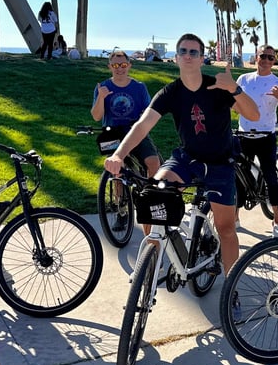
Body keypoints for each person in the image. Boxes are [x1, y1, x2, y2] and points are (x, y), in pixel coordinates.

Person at [104, 33, 260, 286]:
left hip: (220, 164)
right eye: (183, 52)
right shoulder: (170, 93)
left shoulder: (218, 87)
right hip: (187, 160)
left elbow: (253, 114)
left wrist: (234, 88)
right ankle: (151, 264)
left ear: (201, 58)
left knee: (227, 230)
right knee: (153, 197)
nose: (188, 56)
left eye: (194, 52)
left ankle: (232, 291)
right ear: (176, 58)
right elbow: (143, 126)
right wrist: (119, 154)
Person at [91, 50, 162, 232]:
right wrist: (101, 97)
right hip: (112, 133)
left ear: (129, 65)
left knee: (153, 162)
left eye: (123, 65)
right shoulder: (103, 87)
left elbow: (148, 113)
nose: (119, 69)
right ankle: (122, 210)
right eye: (115, 65)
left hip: (134, 130)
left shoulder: (139, 88)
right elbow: (97, 116)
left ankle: (151, 200)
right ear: (109, 67)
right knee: (117, 171)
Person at [234, 45, 278, 235]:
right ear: (256, 57)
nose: (267, 60)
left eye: (271, 57)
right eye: (263, 56)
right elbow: (234, 105)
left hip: (265, 137)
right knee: (238, 177)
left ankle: (277, 219)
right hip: (244, 135)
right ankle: (235, 216)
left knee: (270, 178)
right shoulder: (243, 79)